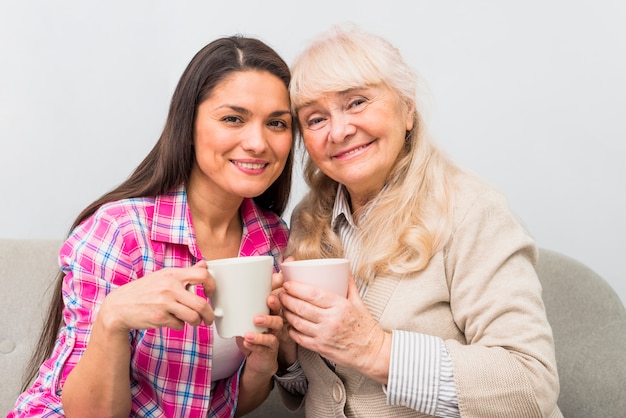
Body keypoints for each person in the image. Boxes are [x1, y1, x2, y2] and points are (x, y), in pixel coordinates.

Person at [275, 25, 563, 417]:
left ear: (407, 108)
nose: (339, 131)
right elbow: (315, 388)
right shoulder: (308, 220)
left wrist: (376, 351)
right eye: (315, 119)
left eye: (357, 102)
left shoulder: (471, 211)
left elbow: (530, 385)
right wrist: (287, 353)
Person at [10, 35, 294, 417]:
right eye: (233, 118)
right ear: (188, 123)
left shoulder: (273, 241)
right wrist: (112, 319)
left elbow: (215, 404)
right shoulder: (121, 232)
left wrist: (261, 369)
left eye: (277, 123)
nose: (258, 142)